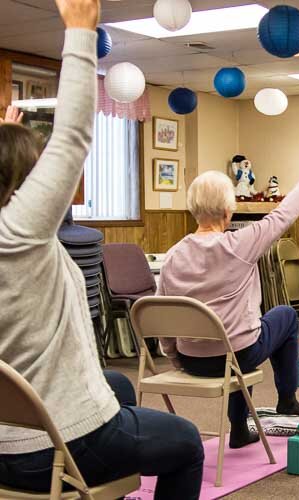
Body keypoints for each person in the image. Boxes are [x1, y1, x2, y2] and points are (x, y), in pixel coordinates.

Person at [0, 0, 204, 497]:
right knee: (186, 441)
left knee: (118, 388)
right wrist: (78, 32)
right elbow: (71, 136)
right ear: (28, 184)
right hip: (52, 449)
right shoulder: (18, 236)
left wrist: (8, 134)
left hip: (5, 438)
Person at [157, 148, 299, 449]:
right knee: (284, 317)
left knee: (236, 337)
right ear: (229, 210)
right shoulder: (240, 244)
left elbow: (161, 316)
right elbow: (285, 213)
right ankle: (287, 399)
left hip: (191, 360)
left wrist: (177, 360)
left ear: (192, 209)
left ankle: (240, 429)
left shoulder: (173, 255)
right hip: (236, 356)